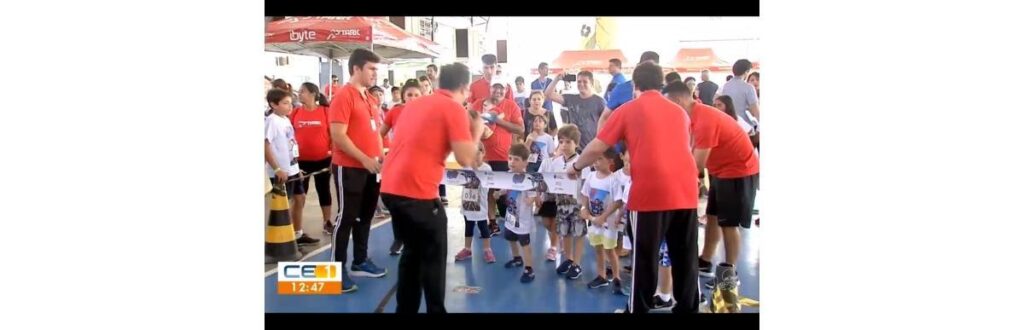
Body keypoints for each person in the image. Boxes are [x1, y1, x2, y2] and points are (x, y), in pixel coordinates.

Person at [568, 61, 701, 313]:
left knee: (644, 259)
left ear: (634, 86)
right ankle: (688, 309)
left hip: (651, 194)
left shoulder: (629, 109)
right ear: (660, 84)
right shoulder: (679, 112)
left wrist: (574, 168)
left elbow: (598, 146)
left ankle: (637, 309)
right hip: (686, 193)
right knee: (685, 258)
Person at [380, 62, 486, 313]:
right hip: (417, 193)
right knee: (433, 260)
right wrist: (478, 132)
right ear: (464, 86)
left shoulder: (414, 104)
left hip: (391, 188)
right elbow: (466, 158)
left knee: (412, 255)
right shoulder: (453, 108)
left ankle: (405, 310)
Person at [664, 81, 758, 312]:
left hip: (738, 170)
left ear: (677, 102)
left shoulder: (704, 119)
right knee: (713, 215)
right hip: (721, 170)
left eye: (667, 104)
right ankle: (705, 259)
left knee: (729, 224)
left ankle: (729, 272)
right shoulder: (690, 116)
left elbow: (697, 164)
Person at [328, 49, 388, 294]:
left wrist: (380, 153)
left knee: (365, 216)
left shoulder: (369, 97)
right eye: (371, 69)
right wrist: (364, 158)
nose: (376, 73)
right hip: (350, 168)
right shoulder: (344, 96)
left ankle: (360, 260)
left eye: (376, 69)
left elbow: (373, 131)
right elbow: (338, 136)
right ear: (356, 69)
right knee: (346, 218)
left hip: (372, 168)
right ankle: (335, 270)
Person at [471, 80, 525, 236]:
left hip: (503, 156)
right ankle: (492, 223)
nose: (498, 91)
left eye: (502, 88)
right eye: (495, 87)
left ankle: (510, 221)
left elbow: (520, 129)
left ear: (506, 89)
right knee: (486, 191)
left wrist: (497, 120)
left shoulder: (511, 105)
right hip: (482, 157)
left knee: (504, 192)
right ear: (490, 88)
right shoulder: (478, 104)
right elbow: (469, 123)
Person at [265, 89, 318, 245]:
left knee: (300, 198)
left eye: (290, 103)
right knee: (283, 205)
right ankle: (283, 237)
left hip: (292, 169)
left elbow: (289, 144)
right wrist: (276, 169)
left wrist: (296, 166)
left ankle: (297, 233)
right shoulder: (272, 121)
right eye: (285, 103)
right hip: (280, 172)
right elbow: (265, 145)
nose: (290, 107)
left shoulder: (286, 120)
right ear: (273, 104)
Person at [379, 79, 424, 256]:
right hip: (398, 164)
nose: (412, 98)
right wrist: (380, 153)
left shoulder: (429, 112)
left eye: (416, 95)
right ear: (403, 96)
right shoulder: (395, 111)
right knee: (398, 204)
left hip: (421, 165)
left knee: (418, 204)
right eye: (409, 95)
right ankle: (399, 238)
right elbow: (379, 134)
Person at [539, 125, 587, 278]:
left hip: (577, 204)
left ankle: (577, 264)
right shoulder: (556, 162)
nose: (564, 145)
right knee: (565, 232)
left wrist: (586, 205)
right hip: (561, 204)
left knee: (578, 233)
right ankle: (569, 259)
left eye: (568, 142)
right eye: (561, 142)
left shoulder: (582, 162)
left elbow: (586, 185)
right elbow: (551, 182)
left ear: (576, 144)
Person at [291, 83, 335, 236]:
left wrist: (333, 159)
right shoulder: (295, 112)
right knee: (299, 195)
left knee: (324, 190)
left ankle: (327, 222)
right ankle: (297, 229)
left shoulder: (326, 112)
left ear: (313, 94)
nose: (299, 94)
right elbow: (289, 137)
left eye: (302, 91)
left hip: (323, 160)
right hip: (300, 162)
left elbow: (334, 136)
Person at [582, 148, 626, 295]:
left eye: (599, 159)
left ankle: (616, 277)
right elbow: (585, 194)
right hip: (594, 222)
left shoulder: (613, 180)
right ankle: (601, 276)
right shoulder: (591, 176)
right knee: (598, 248)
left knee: (610, 250)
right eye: (594, 158)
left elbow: (618, 202)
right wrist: (584, 208)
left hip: (608, 224)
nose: (595, 162)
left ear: (610, 162)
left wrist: (604, 216)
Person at [499, 143, 539, 283]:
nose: (511, 162)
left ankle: (529, 269)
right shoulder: (508, 175)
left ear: (525, 162)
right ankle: (517, 258)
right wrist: (500, 193)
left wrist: (531, 200)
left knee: (525, 244)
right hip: (510, 216)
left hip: (523, 220)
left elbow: (534, 194)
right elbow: (506, 188)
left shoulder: (529, 178)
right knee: (510, 238)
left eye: (516, 159)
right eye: (510, 158)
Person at [453, 143, 496, 264]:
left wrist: (475, 169)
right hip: (468, 202)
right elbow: (460, 181)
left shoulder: (486, 168)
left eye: (478, 152)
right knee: (469, 225)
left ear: (483, 153)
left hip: (480, 203)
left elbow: (485, 182)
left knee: (483, 226)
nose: (475, 155)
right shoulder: (466, 167)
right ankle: (467, 249)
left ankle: (487, 249)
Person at [600, 51, 660, 130]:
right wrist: (601, 140)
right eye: (645, 69)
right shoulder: (621, 89)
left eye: (652, 70)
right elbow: (604, 118)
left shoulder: (664, 92)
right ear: (638, 67)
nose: (648, 74)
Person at [545, 71, 607, 148]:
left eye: (585, 82)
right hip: (573, 145)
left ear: (591, 83)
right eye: (579, 82)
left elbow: (606, 122)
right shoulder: (570, 98)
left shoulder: (599, 101)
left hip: (591, 144)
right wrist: (557, 79)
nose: (581, 84)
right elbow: (548, 95)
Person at [720, 59, 760, 149]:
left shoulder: (725, 86)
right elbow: (756, 112)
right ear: (747, 71)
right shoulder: (748, 87)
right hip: (744, 129)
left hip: (728, 127)